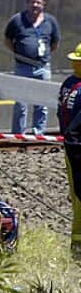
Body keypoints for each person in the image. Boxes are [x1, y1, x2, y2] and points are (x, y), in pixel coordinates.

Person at [5, 0, 60, 136]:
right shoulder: (17, 20)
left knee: (41, 104)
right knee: (21, 104)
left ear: (43, 4)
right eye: (32, 2)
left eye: (38, 3)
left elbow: (54, 43)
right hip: (23, 67)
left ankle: (38, 133)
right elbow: (8, 40)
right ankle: (18, 133)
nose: (35, 5)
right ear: (27, 4)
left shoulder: (50, 22)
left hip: (42, 67)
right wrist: (20, 53)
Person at [58, 43, 81, 258]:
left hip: (70, 147)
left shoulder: (68, 84)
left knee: (76, 196)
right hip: (78, 148)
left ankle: (76, 245)